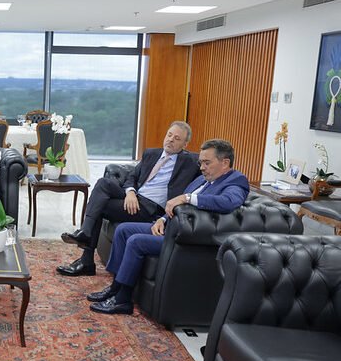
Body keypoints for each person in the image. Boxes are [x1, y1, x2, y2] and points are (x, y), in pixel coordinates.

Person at [88, 139, 249, 315]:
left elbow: (229, 202)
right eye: (201, 163)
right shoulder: (202, 179)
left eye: (207, 163)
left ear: (225, 163)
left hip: (184, 237)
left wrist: (187, 198)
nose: (202, 167)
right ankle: (115, 288)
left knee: (135, 241)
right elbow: (175, 205)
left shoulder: (236, 181)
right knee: (123, 230)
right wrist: (162, 220)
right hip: (169, 227)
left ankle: (122, 300)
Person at [57, 121, 201, 277]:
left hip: (150, 208)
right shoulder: (151, 154)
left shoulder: (190, 162)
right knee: (103, 183)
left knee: (100, 205)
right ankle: (85, 234)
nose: (171, 139)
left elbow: (210, 163)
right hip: (135, 198)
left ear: (185, 145)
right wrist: (130, 192)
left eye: (177, 138)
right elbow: (132, 176)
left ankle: (86, 257)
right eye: (169, 135)